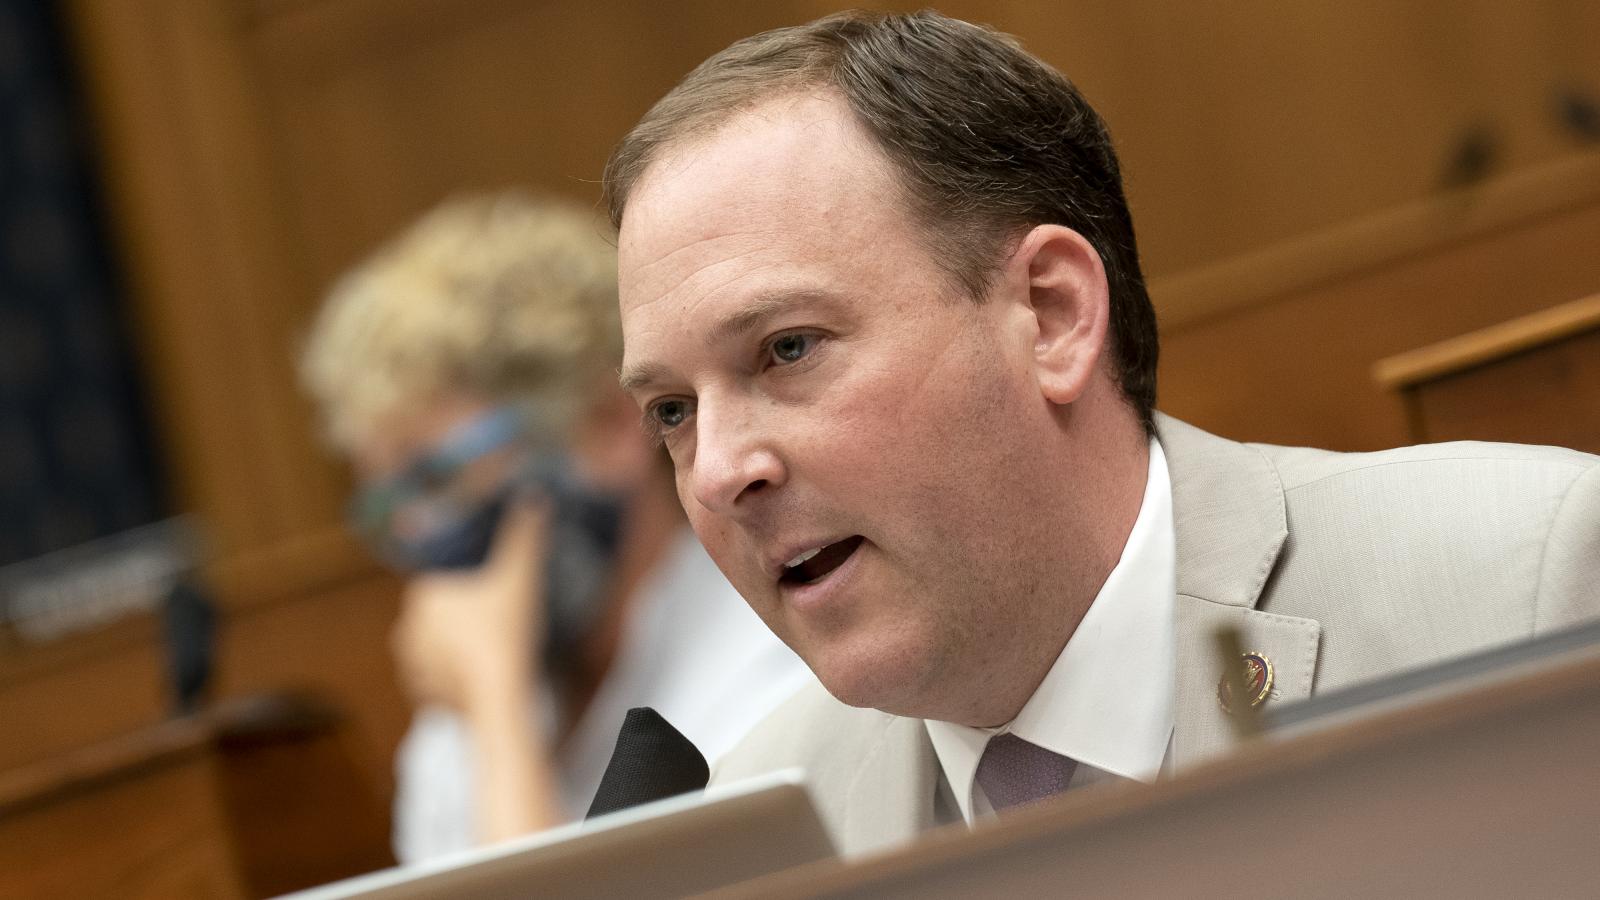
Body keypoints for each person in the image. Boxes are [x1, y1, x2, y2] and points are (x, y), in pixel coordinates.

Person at [606, 10, 1600, 857]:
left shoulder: (1521, 589)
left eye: (787, 349)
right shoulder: (765, 829)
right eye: (673, 412)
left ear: (1050, 316)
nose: (719, 472)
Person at [299, 193, 812, 863]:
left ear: (608, 425)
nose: (418, 533)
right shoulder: (453, 729)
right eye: (387, 503)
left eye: (438, 479)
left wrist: (498, 708)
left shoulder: (775, 657)